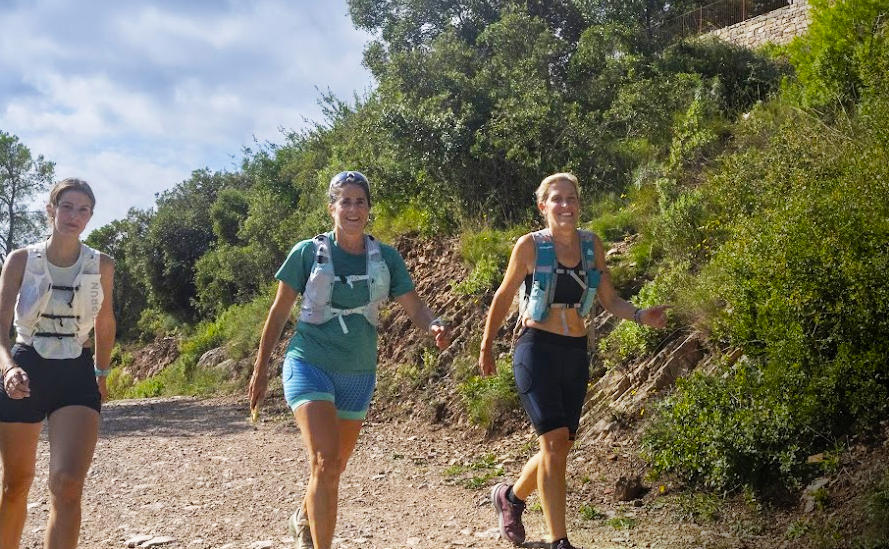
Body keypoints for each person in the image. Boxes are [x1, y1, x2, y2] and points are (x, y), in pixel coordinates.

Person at [249, 170, 451, 549]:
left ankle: (304, 516)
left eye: (360, 201)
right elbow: (278, 314)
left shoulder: (386, 258)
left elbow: (415, 308)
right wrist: (260, 370)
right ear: (332, 208)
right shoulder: (307, 252)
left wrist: (434, 325)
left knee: (333, 469)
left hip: (359, 372)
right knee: (325, 460)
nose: (353, 209)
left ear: (369, 209)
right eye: (346, 201)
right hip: (309, 363)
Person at [478, 173, 667, 549]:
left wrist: (642, 315)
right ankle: (558, 540)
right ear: (543, 206)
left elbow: (611, 300)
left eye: (571, 198)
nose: (565, 206)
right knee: (552, 442)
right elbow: (503, 296)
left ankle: (510, 498)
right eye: (557, 199)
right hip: (535, 348)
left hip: (575, 352)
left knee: (560, 445)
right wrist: (485, 346)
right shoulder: (529, 247)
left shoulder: (592, 245)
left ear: (579, 204)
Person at [0, 178, 116, 549]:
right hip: (25, 366)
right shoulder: (21, 260)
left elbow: (106, 323)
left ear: (90, 217)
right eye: (67, 207)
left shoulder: (101, 264)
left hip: (76, 370)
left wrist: (101, 373)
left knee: (68, 484)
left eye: (83, 210)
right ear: (51, 210)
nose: (74, 216)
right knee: (16, 484)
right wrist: (8, 368)